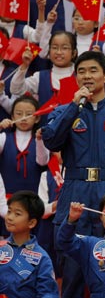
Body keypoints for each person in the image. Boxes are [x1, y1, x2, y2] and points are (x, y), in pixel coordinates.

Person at [41, 50, 105, 298]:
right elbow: (51, 141)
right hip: (75, 194)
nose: (87, 76)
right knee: (72, 274)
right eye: (81, 71)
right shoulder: (63, 111)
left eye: (93, 70)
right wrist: (74, 107)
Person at [0, 95, 47, 236]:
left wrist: (39, 140)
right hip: (6, 203)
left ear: (37, 118)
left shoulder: (41, 139)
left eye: (29, 114)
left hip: (32, 203)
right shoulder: (4, 138)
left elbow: (42, 161)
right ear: (12, 116)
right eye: (19, 114)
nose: (24, 118)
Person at [0, 190, 59, 298]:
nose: (10, 217)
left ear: (31, 223)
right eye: (9, 211)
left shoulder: (41, 257)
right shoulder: (1, 247)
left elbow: (48, 293)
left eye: (17, 214)